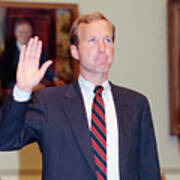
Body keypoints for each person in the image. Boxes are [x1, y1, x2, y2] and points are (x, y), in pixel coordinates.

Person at [0, 12, 161, 180]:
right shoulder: (49, 102)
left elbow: (149, 170)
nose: (102, 48)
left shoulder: (136, 104)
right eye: (92, 40)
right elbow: (5, 140)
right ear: (75, 51)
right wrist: (22, 90)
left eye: (107, 40)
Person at [0, 19, 63, 95]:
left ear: (31, 33)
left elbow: (44, 66)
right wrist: (28, 87)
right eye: (21, 32)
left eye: (27, 32)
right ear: (15, 33)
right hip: (15, 92)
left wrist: (55, 79)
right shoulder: (8, 53)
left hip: (37, 89)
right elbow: (6, 80)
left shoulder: (37, 48)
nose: (24, 35)